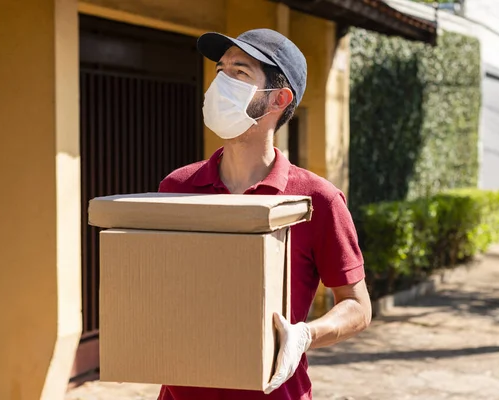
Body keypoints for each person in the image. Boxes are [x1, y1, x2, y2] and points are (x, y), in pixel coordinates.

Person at [156, 28, 371, 400]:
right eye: (220, 70)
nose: (222, 81)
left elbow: (357, 306)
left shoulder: (317, 200)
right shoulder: (177, 188)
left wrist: (304, 335)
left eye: (240, 73)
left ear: (279, 99)